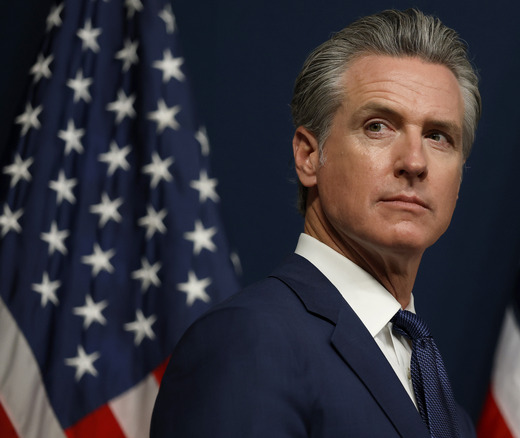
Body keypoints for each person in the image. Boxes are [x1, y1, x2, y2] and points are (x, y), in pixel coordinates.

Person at [150, 8, 481, 437]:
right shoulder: (249, 342)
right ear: (309, 156)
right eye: (378, 126)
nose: (414, 162)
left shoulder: (450, 414)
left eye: (438, 136)